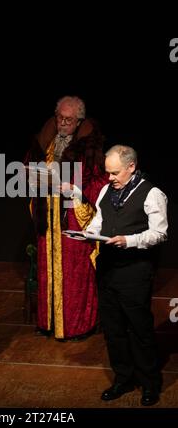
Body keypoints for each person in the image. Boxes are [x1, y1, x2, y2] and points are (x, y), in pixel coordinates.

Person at [85, 145, 168, 406]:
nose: (110, 178)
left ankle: (149, 383)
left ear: (131, 167)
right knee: (113, 330)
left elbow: (160, 233)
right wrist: (88, 232)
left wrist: (129, 241)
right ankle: (123, 378)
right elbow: (99, 220)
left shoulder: (152, 193)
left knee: (139, 330)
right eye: (108, 173)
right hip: (107, 270)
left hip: (134, 272)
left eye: (115, 173)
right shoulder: (105, 191)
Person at [25, 95, 108, 340]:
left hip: (72, 219)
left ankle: (76, 326)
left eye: (69, 119)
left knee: (74, 276)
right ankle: (48, 322)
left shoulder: (89, 148)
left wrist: (74, 189)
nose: (62, 123)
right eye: (60, 117)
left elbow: (99, 182)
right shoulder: (45, 142)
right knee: (47, 271)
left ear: (79, 121)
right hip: (47, 220)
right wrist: (32, 178)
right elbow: (29, 172)